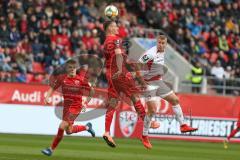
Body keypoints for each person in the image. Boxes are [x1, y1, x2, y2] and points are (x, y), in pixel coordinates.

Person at [137, 35, 198, 148]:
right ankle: (144, 136)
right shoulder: (151, 53)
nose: (161, 45)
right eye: (159, 43)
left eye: (163, 43)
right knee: (152, 110)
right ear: (156, 42)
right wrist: (142, 82)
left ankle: (183, 125)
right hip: (148, 84)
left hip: (158, 82)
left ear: (166, 44)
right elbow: (137, 66)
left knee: (175, 100)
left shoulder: (163, 51)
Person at [102, 20, 151, 149]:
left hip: (110, 75)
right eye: (114, 25)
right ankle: (147, 121)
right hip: (120, 73)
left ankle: (107, 132)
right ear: (110, 28)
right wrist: (120, 69)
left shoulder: (105, 42)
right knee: (135, 97)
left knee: (112, 103)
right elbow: (118, 56)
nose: (117, 27)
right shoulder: (116, 39)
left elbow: (114, 57)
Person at [41, 59, 95, 156]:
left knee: (62, 125)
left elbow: (92, 91)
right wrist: (47, 97)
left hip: (76, 107)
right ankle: (87, 127)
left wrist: (86, 103)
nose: (72, 69)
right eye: (70, 67)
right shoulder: (62, 78)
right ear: (67, 68)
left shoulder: (81, 80)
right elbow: (52, 88)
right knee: (69, 131)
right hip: (66, 107)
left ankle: (51, 149)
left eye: (74, 67)